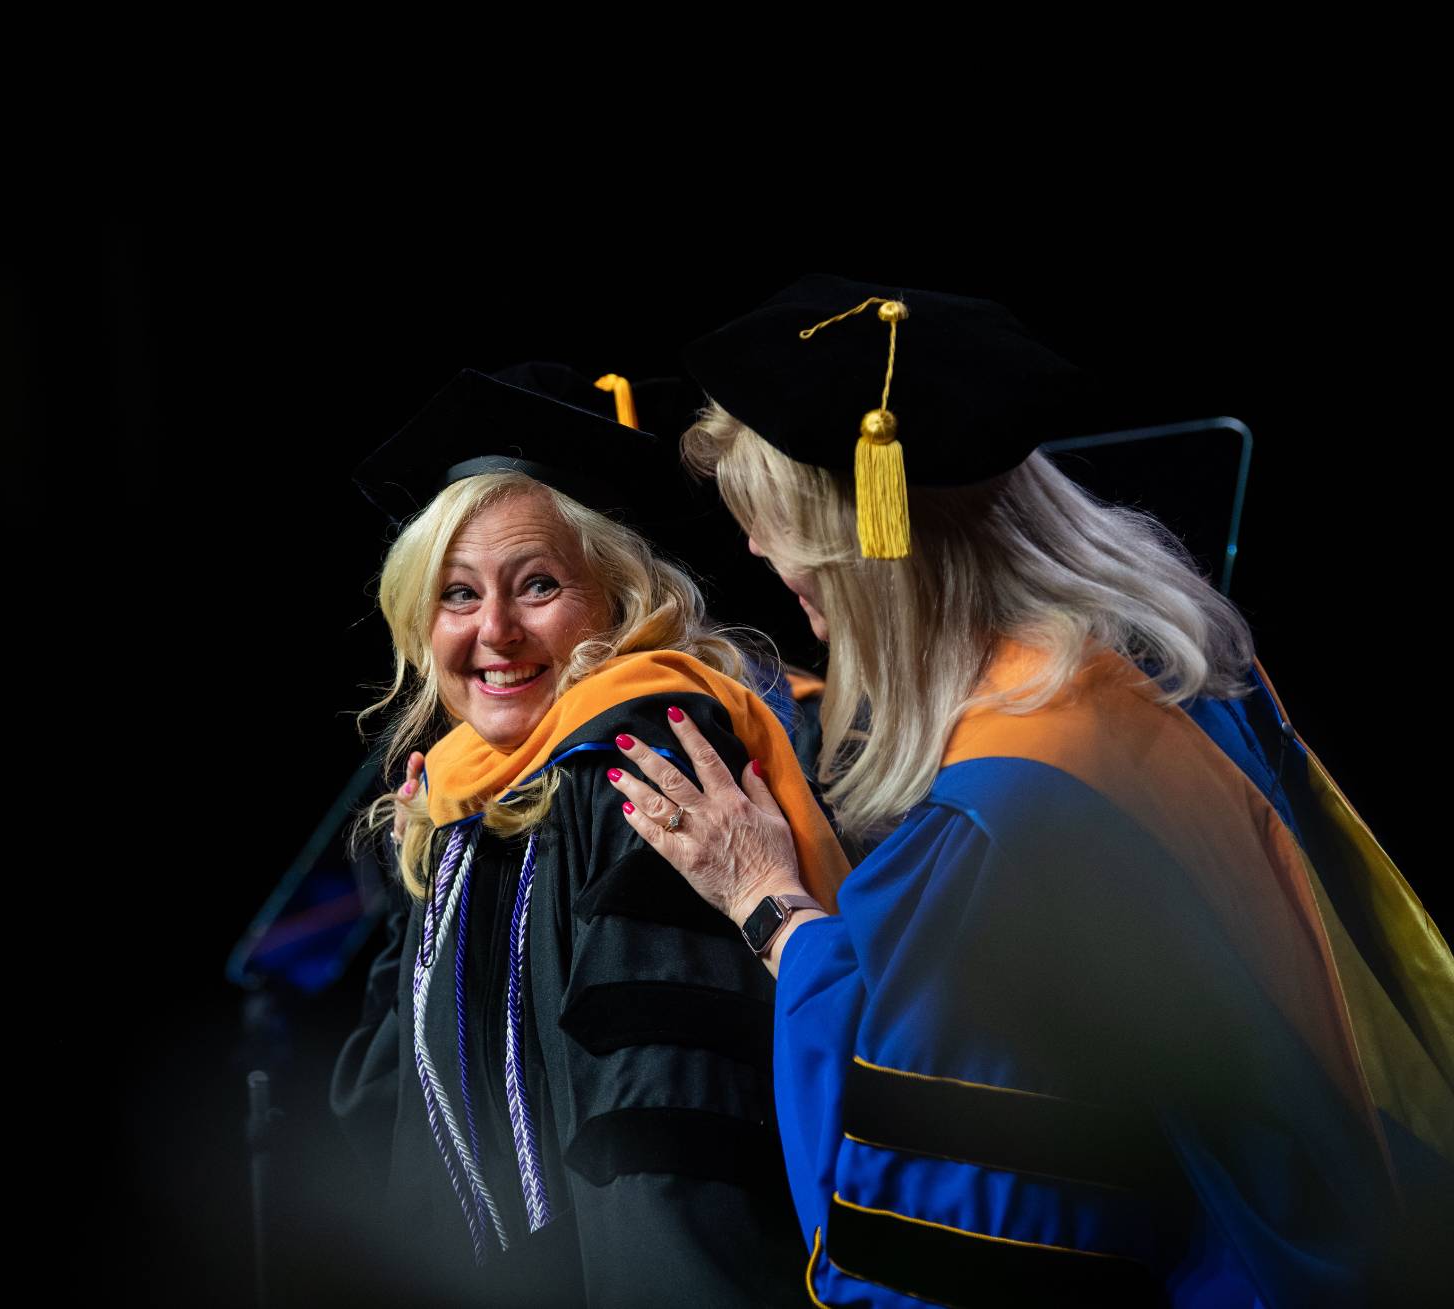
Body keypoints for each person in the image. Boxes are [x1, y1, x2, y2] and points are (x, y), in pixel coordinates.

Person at [603, 275, 1454, 1305]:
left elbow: (945, 1246)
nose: (755, 550)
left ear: (873, 544)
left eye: (770, 521)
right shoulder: (1172, 664)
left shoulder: (986, 832)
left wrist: (772, 910)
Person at [331, 366, 853, 1304]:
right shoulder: (464, 799)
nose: (495, 629)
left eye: (537, 585)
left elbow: (667, 1125)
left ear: (613, 598)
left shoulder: (645, 758)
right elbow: (389, 1102)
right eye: (457, 594)